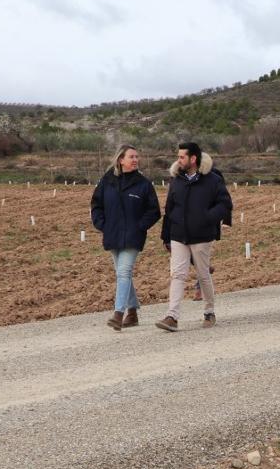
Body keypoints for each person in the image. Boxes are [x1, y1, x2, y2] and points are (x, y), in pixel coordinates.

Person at [156, 142, 232, 332]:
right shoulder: (176, 180)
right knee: (177, 274)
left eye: (182, 156)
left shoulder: (213, 180)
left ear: (193, 159)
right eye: (178, 156)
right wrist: (166, 236)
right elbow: (169, 209)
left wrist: (207, 218)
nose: (178, 160)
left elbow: (225, 204)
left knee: (203, 274)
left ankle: (209, 311)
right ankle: (172, 316)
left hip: (202, 235)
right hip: (178, 235)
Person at [90, 144, 161, 330]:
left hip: (133, 237)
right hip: (112, 235)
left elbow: (154, 211)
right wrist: (102, 224)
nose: (136, 159)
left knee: (123, 272)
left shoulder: (143, 184)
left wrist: (140, 227)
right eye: (132, 156)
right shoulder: (107, 180)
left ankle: (118, 313)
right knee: (123, 274)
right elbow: (96, 204)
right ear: (121, 160)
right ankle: (133, 313)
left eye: (137, 156)